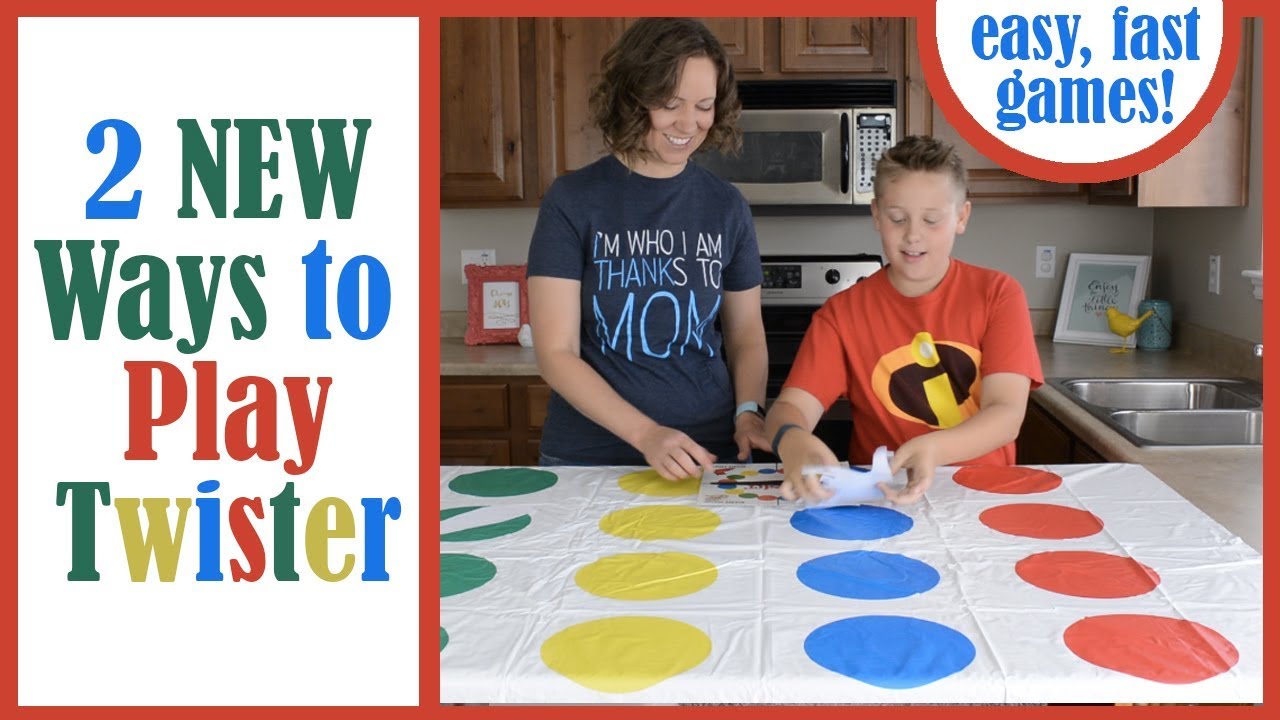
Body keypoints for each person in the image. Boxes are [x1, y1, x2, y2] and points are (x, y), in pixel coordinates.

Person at [527, 18, 770, 481]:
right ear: (632, 98)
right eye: (669, 103)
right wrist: (646, 434)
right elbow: (556, 352)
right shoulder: (574, 200)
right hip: (590, 455)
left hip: (709, 452)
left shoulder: (726, 206)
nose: (688, 123)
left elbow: (747, 338)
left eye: (703, 106)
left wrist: (748, 411)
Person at [764, 135, 1044, 504]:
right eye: (898, 218)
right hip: (881, 496)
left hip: (981, 494)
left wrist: (934, 449)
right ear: (877, 215)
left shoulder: (998, 294)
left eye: (931, 220)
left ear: (962, 217)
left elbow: (1006, 414)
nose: (913, 234)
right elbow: (789, 409)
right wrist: (793, 440)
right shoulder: (842, 314)